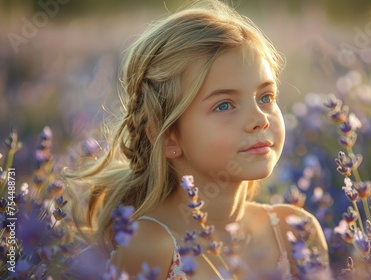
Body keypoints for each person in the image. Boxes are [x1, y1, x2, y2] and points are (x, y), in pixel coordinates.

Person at [66, 0, 329, 279]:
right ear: (168, 136)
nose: (260, 119)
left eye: (266, 97)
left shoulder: (296, 229)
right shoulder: (149, 245)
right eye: (224, 105)